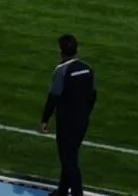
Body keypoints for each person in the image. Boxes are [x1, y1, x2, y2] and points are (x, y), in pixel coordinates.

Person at [40, 34, 98, 195]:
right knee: (71, 155)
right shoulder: (87, 68)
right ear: (77, 49)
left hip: (66, 122)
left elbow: (54, 97)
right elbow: (93, 95)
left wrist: (45, 119)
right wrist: (85, 113)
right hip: (82, 120)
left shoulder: (61, 70)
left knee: (69, 161)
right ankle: (62, 191)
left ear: (60, 51)